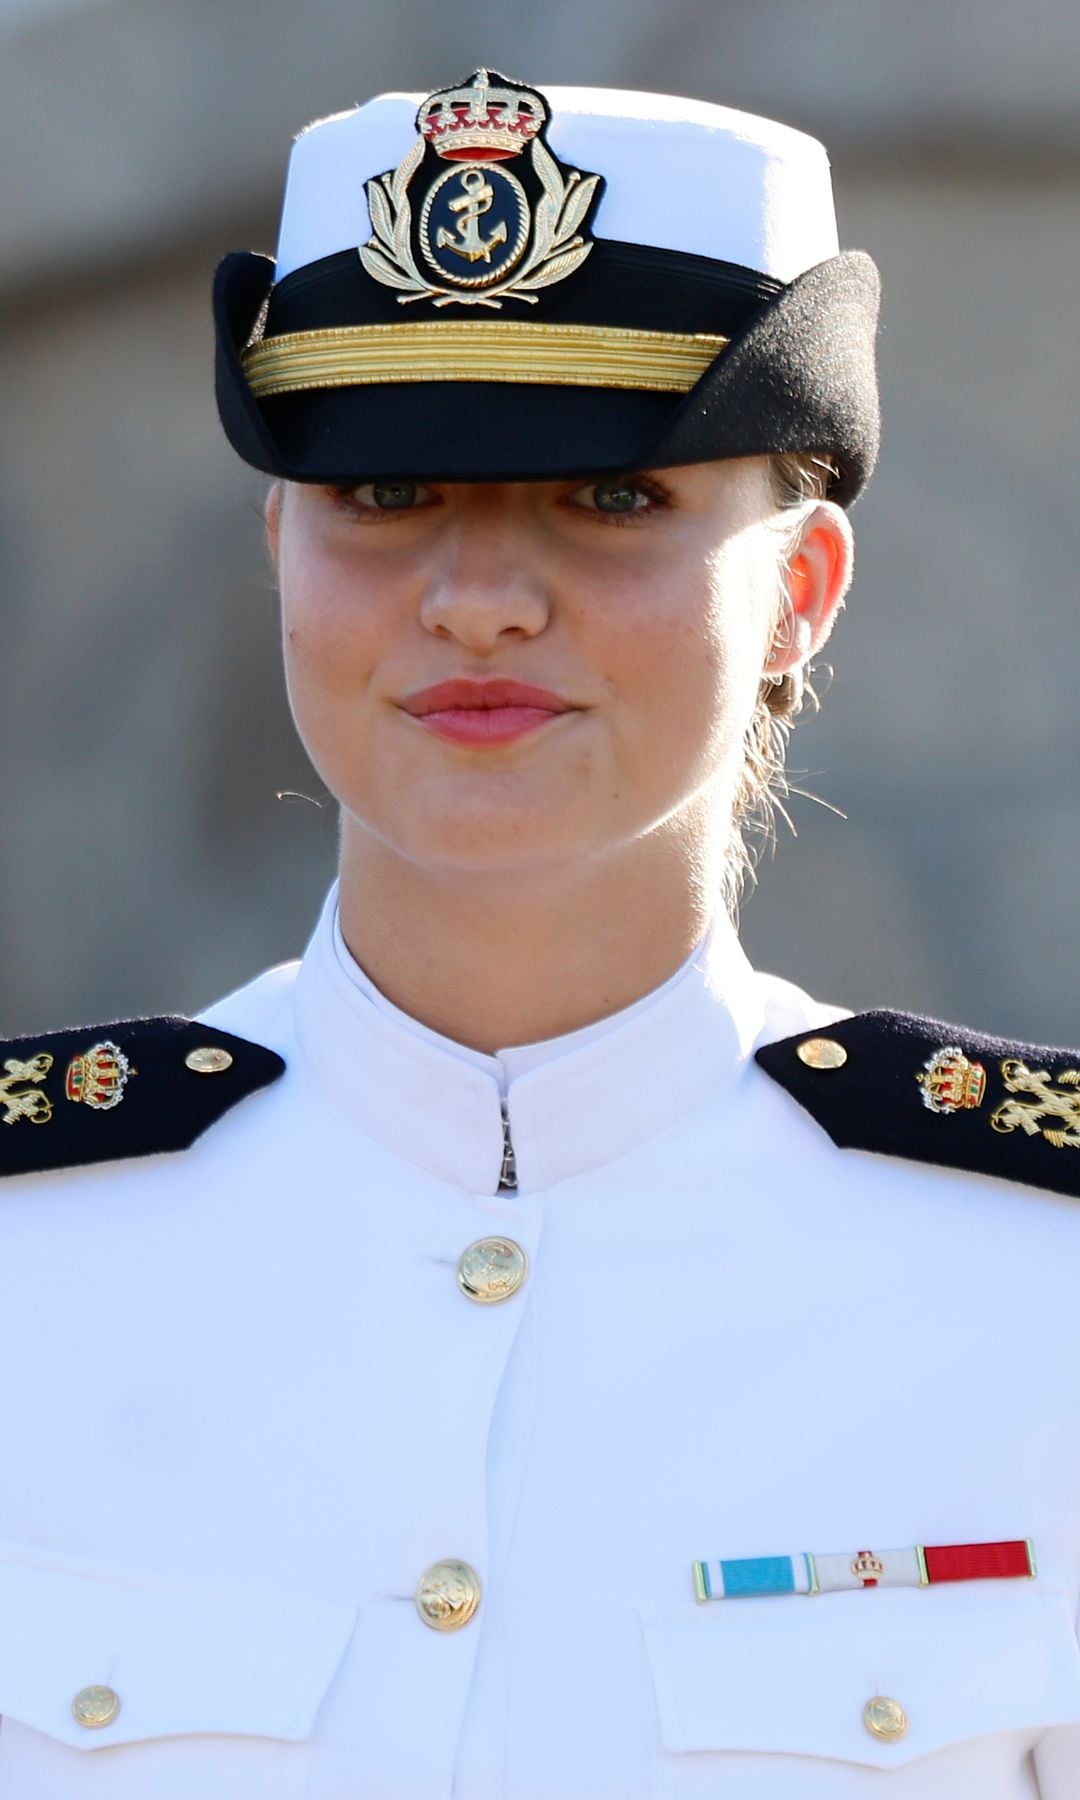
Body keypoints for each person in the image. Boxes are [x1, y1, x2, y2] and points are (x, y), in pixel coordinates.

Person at [1, 67, 1079, 1800]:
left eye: (612, 497)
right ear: (280, 544)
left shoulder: (1042, 1295)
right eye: (386, 498)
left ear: (799, 591)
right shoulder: (31, 1264)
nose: (480, 594)